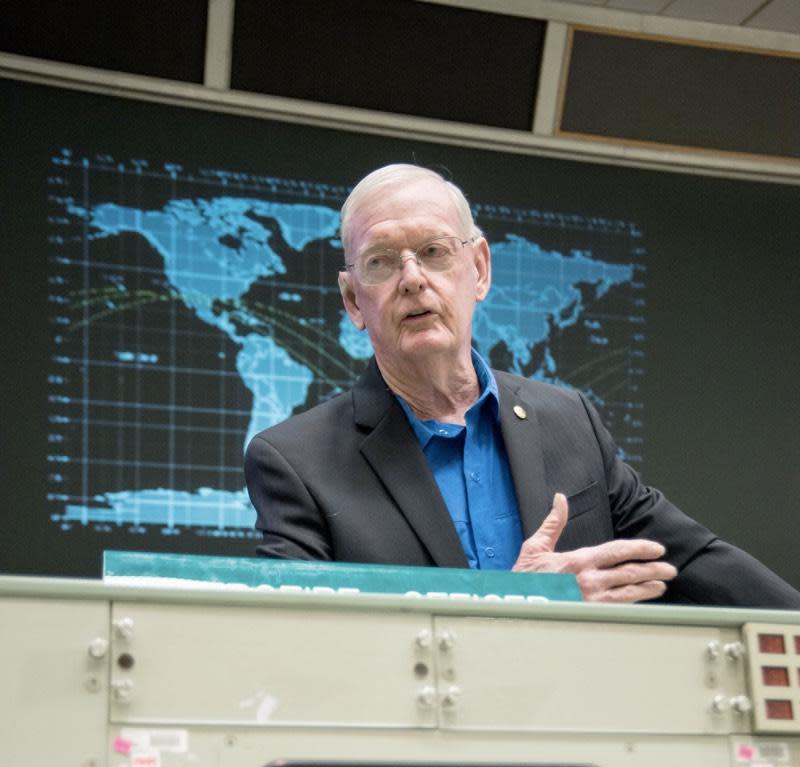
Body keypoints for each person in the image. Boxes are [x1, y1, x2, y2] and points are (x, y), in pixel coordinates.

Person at [245, 164, 800, 608]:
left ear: (479, 269)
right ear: (352, 302)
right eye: (381, 262)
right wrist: (518, 603)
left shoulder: (570, 421)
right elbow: (304, 651)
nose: (412, 278)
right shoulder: (295, 463)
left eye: (435, 252)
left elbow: (686, 559)